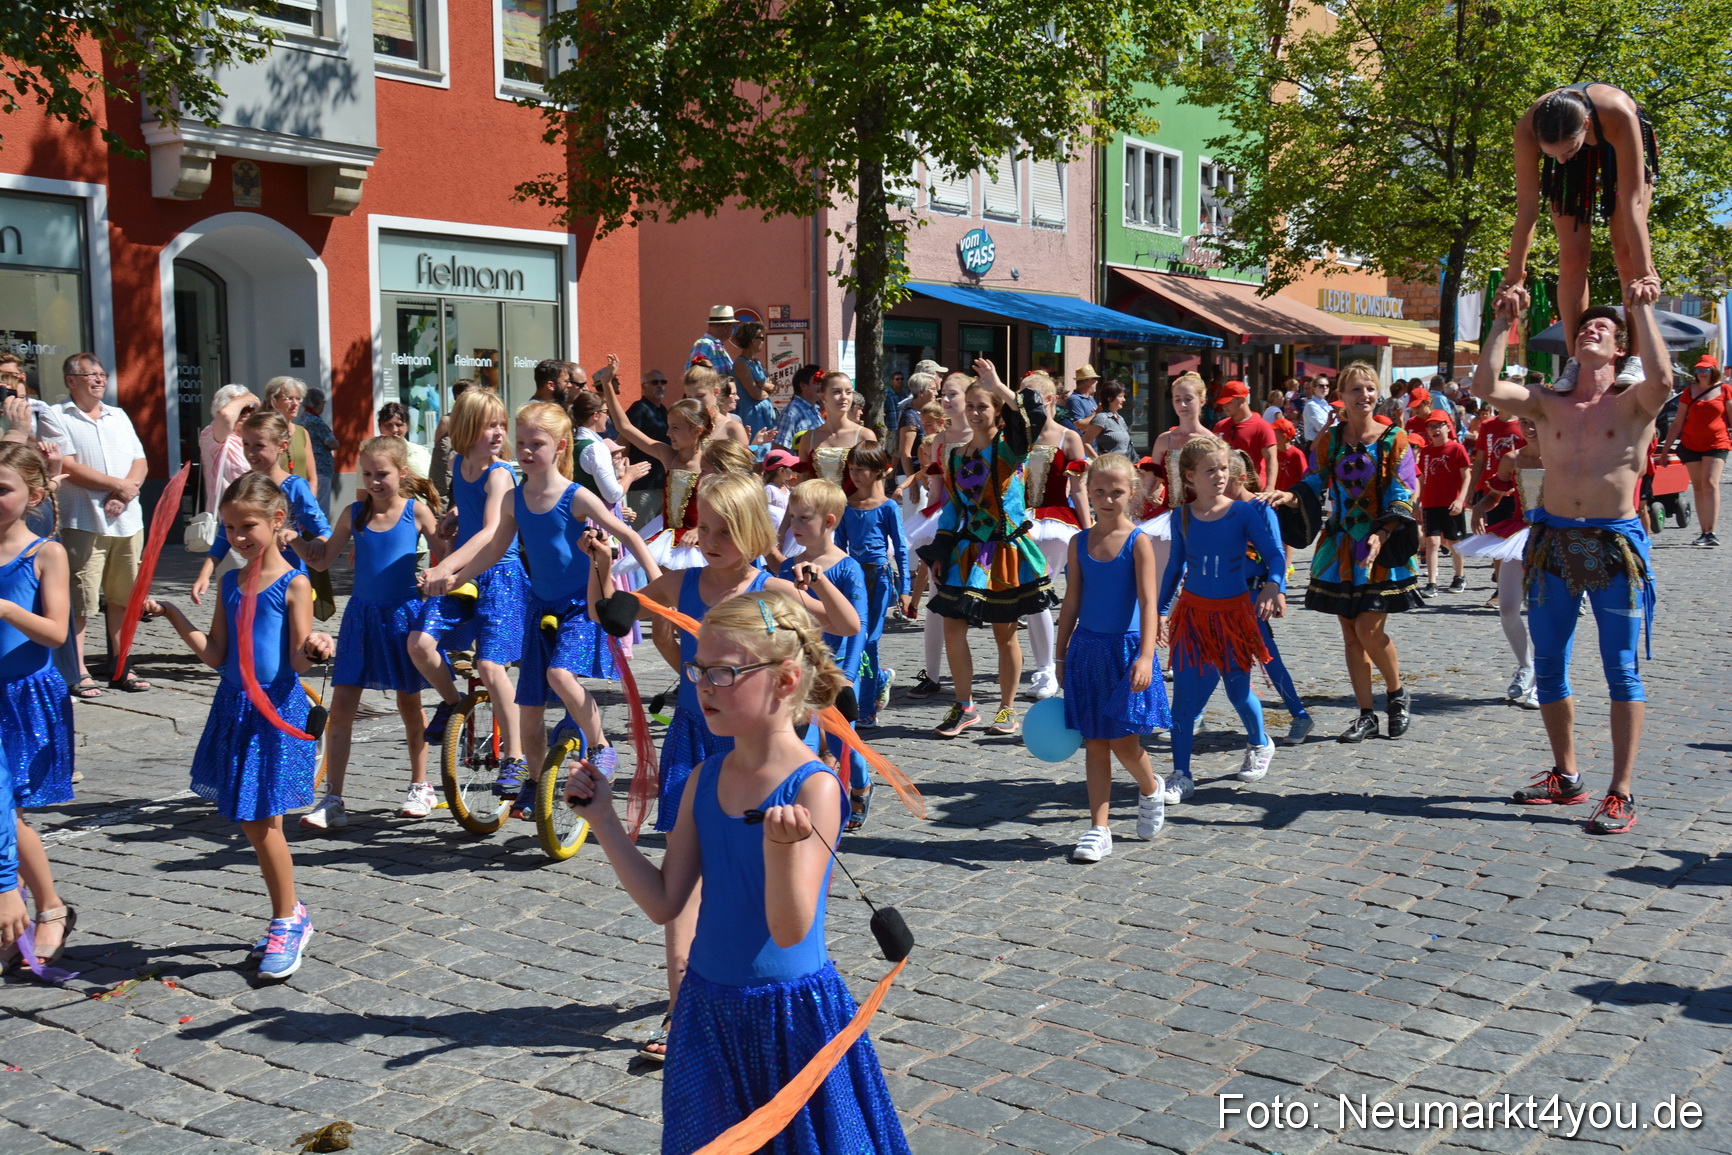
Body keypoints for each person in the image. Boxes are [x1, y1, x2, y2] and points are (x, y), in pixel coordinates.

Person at [564, 589, 911, 1154]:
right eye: (698, 669)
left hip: (789, 1016)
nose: (702, 686)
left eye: (724, 672)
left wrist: (779, 852)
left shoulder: (815, 787)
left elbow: (791, 929)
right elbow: (664, 902)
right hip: (704, 1009)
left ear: (785, 680)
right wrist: (603, 820)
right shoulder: (704, 777)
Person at [588, 473, 857, 1062]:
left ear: (753, 531)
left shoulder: (772, 591)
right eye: (701, 527)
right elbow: (614, 611)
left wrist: (814, 584)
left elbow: (841, 628)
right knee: (684, 874)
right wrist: (602, 566)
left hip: (760, 743)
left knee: (749, 870)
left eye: (722, 530)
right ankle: (679, 1002)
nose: (706, 539)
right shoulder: (680, 582)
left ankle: (712, 988)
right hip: (696, 737)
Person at [1472, 288, 1671, 836]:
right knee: (1550, 664)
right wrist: (1500, 323)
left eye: (1603, 328)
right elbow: (1483, 387)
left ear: (1620, 346)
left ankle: (1620, 792)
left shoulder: (1634, 402)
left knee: (1621, 670)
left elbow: (1664, 380)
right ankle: (1566, 776)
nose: (1590, 330)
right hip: (1554, 542)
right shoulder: (1547, 402)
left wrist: (1643, 310)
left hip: (1614, 544)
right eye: (1584, 326)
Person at [423, 402, 660, 819]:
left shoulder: (576, 496)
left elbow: (629, 534)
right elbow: (495, 550)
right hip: (538, 607)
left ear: (560, 446)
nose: (527, 451)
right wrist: (455, 578)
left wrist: (658, 583)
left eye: (538, 444)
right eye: (522, 443)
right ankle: (534, 782)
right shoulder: (515, 499)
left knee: (558, 674)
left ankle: (602, 744)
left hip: (576, 608)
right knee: (530, 712)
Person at [148, 473, 335, 979]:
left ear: (278, 522)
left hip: (273, 714)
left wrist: (317, 645)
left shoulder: (294, 583)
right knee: (255, 822)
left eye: (246, 525)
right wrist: (171, 614)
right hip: (234, 708)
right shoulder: (231, 582)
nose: (236, 536)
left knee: (260, 821)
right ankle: (289, 914)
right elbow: (215, 654)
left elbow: (296, 661)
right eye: (229, 528)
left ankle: (288, 918)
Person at [1263, 361, 1420, 743]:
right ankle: (1366, 714)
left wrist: (1382, 534)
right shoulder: (1330, 440)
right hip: (1341, 545)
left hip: (1379, 547)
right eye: (1355, 389)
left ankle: (1397, 695)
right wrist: (1290, 494)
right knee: (1351, 634)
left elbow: (1405, 492)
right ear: (1342, 397)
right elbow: (1317, 478)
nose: (1363, 395)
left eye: (1369, 388)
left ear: (1377, 393)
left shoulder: (1394, 439)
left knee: (1369, 628)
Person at [300, 438, 441, 826]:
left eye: (383, 474)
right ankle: (334, 799)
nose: (375, 481)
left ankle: (420, 785)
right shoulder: (354, 513)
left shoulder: (417, 511)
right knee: (342, 705)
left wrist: (435, 577)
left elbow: (446, 560)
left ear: (402, 474)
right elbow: (324, 559)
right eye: (367, 474)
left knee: (409, 704)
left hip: (402, 617)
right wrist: (293, 539)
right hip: (361, 618)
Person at [406, 389, 530, 807]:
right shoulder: (461, 464)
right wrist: (450, 518)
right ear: (465, 430)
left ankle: (514, 756)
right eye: (488, 425)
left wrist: (444, 567)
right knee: (419, 644)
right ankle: (455, 702)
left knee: (491, 666)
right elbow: (469, 513)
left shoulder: (500, 473)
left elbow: (491, 531)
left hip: (500, 575)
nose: (498, 433)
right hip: (465, 571)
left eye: (501, 424)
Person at [921, 359, 1055, 739]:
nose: (976, 412)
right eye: (972, 405)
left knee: (1004, 632)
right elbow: (952, 509)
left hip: (1004, 552)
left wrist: (999, 383)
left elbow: (1033, 418)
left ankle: (1006, 708)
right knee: (952, 626)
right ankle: (964, 706)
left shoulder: (1011, 450)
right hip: (967, 553)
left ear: (998, 412)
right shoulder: (956, 455)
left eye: (985, 406)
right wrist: (940, 553)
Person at [1505, 82, 1659, 395]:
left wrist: (1645, 272)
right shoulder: (1529, 129)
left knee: (1626, 254)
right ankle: (1575, 358)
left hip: (1620, 146)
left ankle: (1635, 358)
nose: (1560, 160)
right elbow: (1527, 209)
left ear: (1586, 124)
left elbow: (1632, 204)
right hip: (1575, 158)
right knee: (1573, 256)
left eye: (1566, 151)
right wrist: (1513, 280)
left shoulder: (1618, 113)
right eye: (1552, 155)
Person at [1053, 453, 1168, 863]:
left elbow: (1150, 602)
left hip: (1127, 652)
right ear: (1087, 491)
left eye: (1115, 492)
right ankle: (1098, 829)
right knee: (1096, 743)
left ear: (1131, 493)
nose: (1106, 499)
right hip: (1088, 650)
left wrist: (1145, 655)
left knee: (1124, 742)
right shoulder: (1078, 542)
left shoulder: (1139, 542)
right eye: (1098, 491)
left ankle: (1151, 788)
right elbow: (1072, 600)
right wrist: (1060, 651)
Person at [1158, 436, 1286, 801]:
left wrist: (1273, 586)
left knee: (1237, 689)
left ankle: (1260, 742)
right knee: (1182, 698)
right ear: (1189, 477)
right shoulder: (1181, 516)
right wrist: (1161, 612)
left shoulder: (1244, 512)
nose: (1219, 476)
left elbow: (1274, 556)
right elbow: (1174, 568)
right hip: (1193, 615)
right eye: (1210, 470)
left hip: (1233, 615)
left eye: (1223, 469)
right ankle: (1181, 773)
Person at [0, 444, 77, 976]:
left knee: (11, 810)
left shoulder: (45, 553)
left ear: (33, 494)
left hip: (25, 695)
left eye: (3, 487)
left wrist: (5, 607)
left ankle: (49, 908)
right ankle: (16, 912)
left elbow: (55, 633)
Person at [53, 354, 151, 697]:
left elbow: (139, 460)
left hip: (126, 521)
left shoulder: (119, 415)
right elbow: (67, 464)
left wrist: (126, 492)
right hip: (84, 520)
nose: (99, 380)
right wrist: (115, 484)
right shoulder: (57, 416)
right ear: (71, 381)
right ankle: (76, 669)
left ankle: (121, 663)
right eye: (90, 375)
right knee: (80, 599)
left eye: (101, 374)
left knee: (124, 597)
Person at [777, 479, 869, 823]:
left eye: (803, 518)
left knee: (844, 741)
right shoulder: (788, 567)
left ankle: (860, 786)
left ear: (829, 521)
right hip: (800, 669)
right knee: (801, 738)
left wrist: (847, 678)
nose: (794, 526)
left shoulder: (847, 568)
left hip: (838, 670)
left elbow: (857, 624)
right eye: (792, 517)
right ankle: (811, 802)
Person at [191, 411, 330, 605]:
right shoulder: (243, 484)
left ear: (282, 446)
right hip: (255, 577)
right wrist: (205, 573)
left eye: (259, 446)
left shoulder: (295, 486)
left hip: (289, 579)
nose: (250, 452)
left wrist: (318, 541)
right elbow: (224, 532)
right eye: (246, 444)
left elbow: (322, 528)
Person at [1225, 452, 1311, 745]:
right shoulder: (1218, 509)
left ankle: (1299, 715)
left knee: (1267, 657)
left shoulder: (1261, 508)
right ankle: (1194, 714)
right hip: (1226, 595)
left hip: (1255, 594)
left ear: (1239, 478)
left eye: (1223, 478)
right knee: (1215, 658)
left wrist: (1280, 591)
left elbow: (1276, 553)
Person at [1458, 417, 1544, 709]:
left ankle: (1543, 681)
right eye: (1525, 421)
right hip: (1519, 534)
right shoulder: (1511, 458)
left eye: (1537, 420)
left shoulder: (1564, 454)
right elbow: (1495, 495)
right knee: (1508, 609)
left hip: (1556, 536)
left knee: (1544, 613)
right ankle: (1525, 665)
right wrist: (1480, 507)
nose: (1531, 427)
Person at [1022, 374, 1090, 701]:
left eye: (1032, 397)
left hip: (1054, 523)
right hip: (1019, 521)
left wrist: (1091, 531)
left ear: (1049, 399)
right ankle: (1047, 666)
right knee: (1030, 597)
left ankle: (1048, 669)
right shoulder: (1015, 436)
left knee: (1037, 594)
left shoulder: (1067, 437)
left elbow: (1079, 489)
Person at [836, 445, 909, 729]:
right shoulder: (846, 505)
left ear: (878, 472)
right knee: (854, 638)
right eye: (851, 469)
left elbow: (901, 549)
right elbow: (839, 549)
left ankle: (866, 709)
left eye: (861, 469)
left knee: (869, 642)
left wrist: (904, 588)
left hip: (878, 579)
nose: (854, 475)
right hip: (854, 580)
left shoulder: (888, 507)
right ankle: (878, 678)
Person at [1661, 355, 1726, 546]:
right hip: (1691, 444)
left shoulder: (1725, 390)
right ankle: (1703, 531)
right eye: (1699, 370)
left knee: (1710, 483)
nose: (1702, 374)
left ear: (1713, 370)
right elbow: (1677, 423)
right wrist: (1665, 449)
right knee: (1698, 487)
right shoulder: (1689, 392)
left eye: (1706, 370)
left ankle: (1711, 531)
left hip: (1717, 442)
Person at [1415, 413, 1472, 597]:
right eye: (1431, 427)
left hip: (1451, 503)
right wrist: (1418, 502)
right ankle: (1431, 582)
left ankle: (1459, 575)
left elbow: (1467, 476)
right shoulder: (1426, 451)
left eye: (1439, 425)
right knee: (1432, 541)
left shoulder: (1457, 449)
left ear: (1448, 427)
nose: (1435, 430)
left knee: (1455, 542)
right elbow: (1422, 479)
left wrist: (1460, 500)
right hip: (1431, 502)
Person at [796, 372, 877, 485]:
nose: (844, 396)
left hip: (854, 502)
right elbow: (803, 483)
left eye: (848, 392)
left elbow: (875, 482)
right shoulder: (808, 438)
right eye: (837, 392)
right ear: (823, 397)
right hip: (817, 502)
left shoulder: (865, 435)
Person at [624, 369, 671, 528]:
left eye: (663, 382)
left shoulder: (663, 410)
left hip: (661, 484)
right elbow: (624, 439)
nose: (660, 386)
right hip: (642, 485)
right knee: (642, 532)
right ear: (643, 386)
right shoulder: (639, 409)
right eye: (655, 382)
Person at [1211, 379, 1278, 489]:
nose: (1224, 406)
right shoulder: (1220, 426)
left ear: (1242, 400)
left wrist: (1270, 487)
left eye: (1228, 402)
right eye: (1222, 403)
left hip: (1253, 490)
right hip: (1224, 489)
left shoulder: (1262, 426)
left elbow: (1271, 459)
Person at [263, 377, 318, 490]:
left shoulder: (302, 433)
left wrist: (309, 502)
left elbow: (312, 478)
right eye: (289, 398)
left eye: (298, 399)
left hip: (301, 500)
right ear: (273, 401)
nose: (296, 403)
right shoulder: (263, 432)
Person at [729, 321, 777, 439]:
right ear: (752, 340)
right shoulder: (741, 363)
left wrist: (764, 385)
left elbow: (775, 386)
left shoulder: (757, 363)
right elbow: (755, 393)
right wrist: (768, 389)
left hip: (764, 415)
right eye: (761, 338)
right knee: (755, 450)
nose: (763, 341)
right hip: (752, 416)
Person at [682, 363, 749, 446]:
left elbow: (742, 458)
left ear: (715, 392)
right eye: (689, 397)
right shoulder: (685, 426)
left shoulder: (733, 428)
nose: (694, 402)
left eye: (700, 396)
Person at [298, 388, 338, 518]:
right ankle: (321, 536)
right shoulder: (316, 421)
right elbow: (332, 443)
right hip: (321, 468)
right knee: (321, 506)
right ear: (318, 403)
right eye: (323, 403)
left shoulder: (303, 419)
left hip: (309, 468)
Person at [773, 364, 825, 450]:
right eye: (817, 382)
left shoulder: (815, 409)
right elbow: (780, 448)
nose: (821, 387)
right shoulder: (791, 412)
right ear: (803, 386)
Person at [377, 402, 432, 479]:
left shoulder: (421, 453)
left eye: (399, 425)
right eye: (388, 425)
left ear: (407, 426)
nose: (394, 430)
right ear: (380, 427)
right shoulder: (370, 455)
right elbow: (363, 490)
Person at [1079, 381, 1131, 458]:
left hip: (1125, 466)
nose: (1124, 400)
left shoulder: (1120, 419)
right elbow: (1085, 442)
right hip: (1110, 467)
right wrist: (1098, 462)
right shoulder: (1101, 418)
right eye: (1120, 396)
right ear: (1110, 398)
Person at [689, 305, 737, 380]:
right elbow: (696, 379)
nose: (734, 330)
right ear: (726, 327)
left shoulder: (716, 346)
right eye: (733, 326)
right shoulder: (704, 345)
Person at [1061, 365, 1100, 431]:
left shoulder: (1091, 398)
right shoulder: (1074, 400)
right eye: (1095, 379)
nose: (1097, 381)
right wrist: (1097, 412)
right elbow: (1079, 426)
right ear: (1089, 381)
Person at [1301, 376, 1333, 448]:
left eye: (1327, 385)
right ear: (1314, 388)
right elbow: (1321, 428)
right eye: (1321, 386)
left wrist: (1327, 426)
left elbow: (1337, 423)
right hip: (1315, 445)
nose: (1325, 388)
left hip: (1328, 443)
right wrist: (1327, 427)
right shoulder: (1311, 405)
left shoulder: (1328, 406)